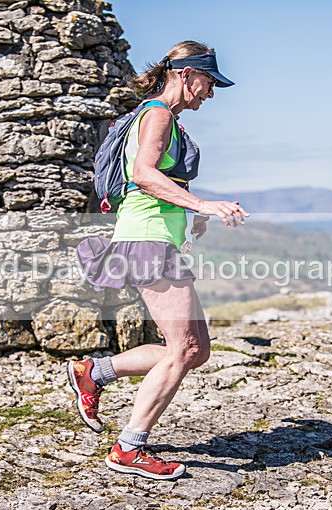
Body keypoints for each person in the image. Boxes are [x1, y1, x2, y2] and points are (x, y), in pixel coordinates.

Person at [68, 41, 249, 481]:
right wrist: (203, 204)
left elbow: (155, 180)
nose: (211, 93)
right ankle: (129, 448)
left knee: (195, 349)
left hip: (153, 239)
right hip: (148, 243)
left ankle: (94, 372)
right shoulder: (159, 115)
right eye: (209, 82)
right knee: (183, 348)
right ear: (186, 75)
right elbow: (145, 175)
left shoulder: (160, 116)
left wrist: (188, 213)